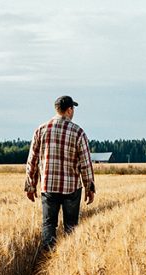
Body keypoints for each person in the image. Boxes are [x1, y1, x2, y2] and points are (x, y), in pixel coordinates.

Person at [25, 95, 95, 251]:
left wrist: (31, 186)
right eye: (73, 108)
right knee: (71, 226)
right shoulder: (78, 132)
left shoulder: (41, 130)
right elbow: (86, 164)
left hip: (48, 186)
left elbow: (32, 161)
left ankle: (49, 254)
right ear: (69, 110)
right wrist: (90, 188)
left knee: (49, 224)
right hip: (72, 188)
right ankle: (69, 257)